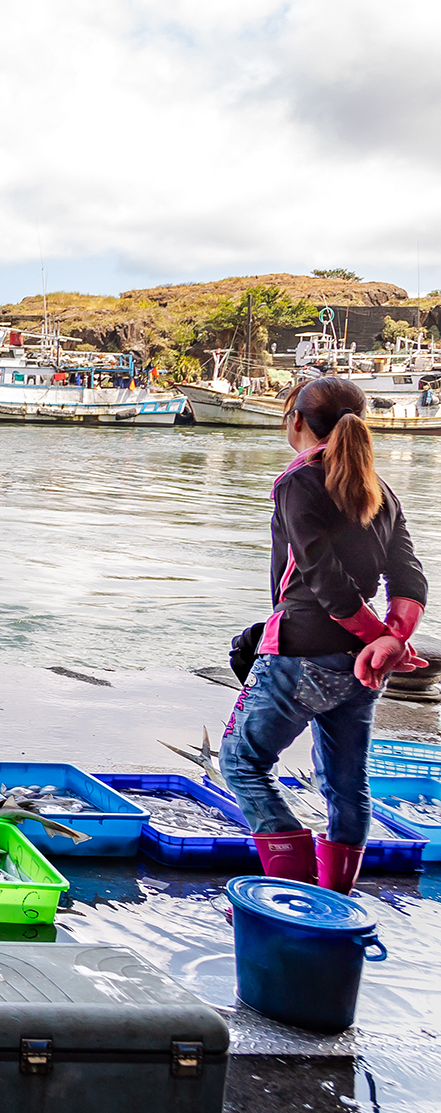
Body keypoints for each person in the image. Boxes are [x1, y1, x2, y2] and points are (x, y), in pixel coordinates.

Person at [219, 376, 426, 893]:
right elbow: (409, 575)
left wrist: (381, 640)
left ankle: (293, 893)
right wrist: (391, 639)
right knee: (346, 783)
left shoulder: (298, 481)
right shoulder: (381, 491)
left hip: (301, 652)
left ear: (297, 421)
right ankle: (334, 901)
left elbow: (321, 577)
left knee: (241, 762)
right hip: (361, 665)